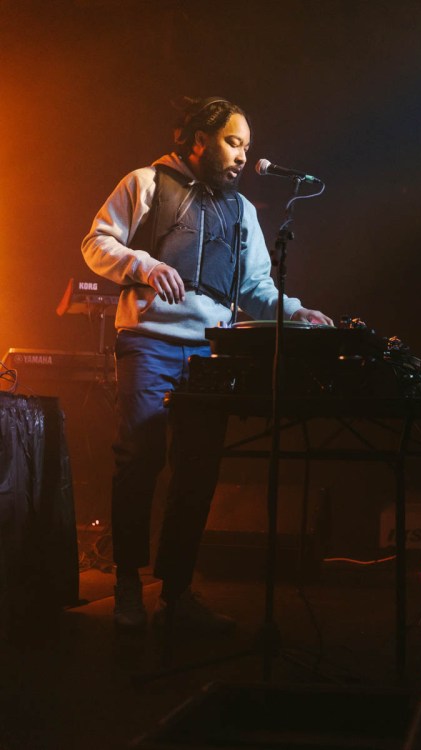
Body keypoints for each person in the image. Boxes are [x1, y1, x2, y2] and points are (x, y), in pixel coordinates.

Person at [81, 96, 333, 632]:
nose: (243, 155)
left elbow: (257, 287)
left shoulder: (242, 211)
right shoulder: (146, 182)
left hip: (209, 353)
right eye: (233, 142)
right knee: (140, 457)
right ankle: (127, 583)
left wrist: (295, 311)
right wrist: (143, 265)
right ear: (199, 140)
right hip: (148, 342)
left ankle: (176, 593)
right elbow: (96, 243)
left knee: (197, 471)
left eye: (247, 146)